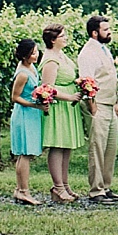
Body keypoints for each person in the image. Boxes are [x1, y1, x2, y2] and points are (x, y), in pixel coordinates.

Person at [77, 15, 118, 203]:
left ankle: (106, 185)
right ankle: (96, 190)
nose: (109, 31)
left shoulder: (105, 50)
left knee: (110, 148)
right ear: (95, 33)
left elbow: (109, 77)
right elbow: (87, 81)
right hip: (97, 106)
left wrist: (115, 102)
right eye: (105, 29)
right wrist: (92, 107)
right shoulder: (88, 53)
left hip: (109, 103)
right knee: (97, 148)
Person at [38, 23, 85, 203]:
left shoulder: (61, 55)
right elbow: (47, 87)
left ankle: (65, 184)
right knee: (57, 145)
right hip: (59, 105)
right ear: (52, 40)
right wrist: (69, 96)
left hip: (68, 105)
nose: (66, 38)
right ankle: (57, 186)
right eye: (62, 36)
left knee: (66, 145)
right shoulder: (50, 59)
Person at [9, 39, 45, 206]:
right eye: (33, 53)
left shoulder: (31, 68)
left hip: (31, 114)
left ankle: (19, 189)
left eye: (36, 51)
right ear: (25, 55)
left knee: (26, 153)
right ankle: (24, 191)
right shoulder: (23, 73)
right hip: (24, 114)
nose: (36, 55)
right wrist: (35, 104)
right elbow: (15, 97)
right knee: (25, 153)